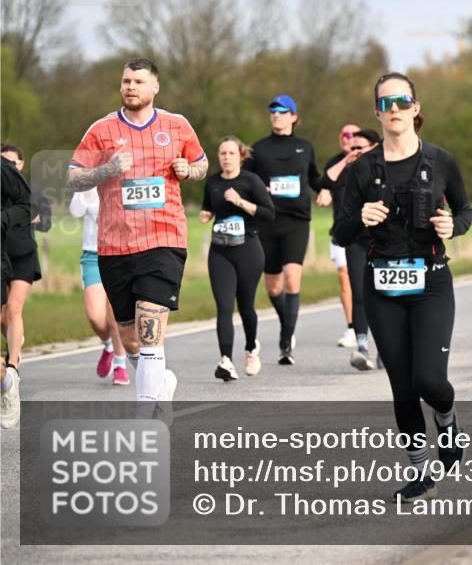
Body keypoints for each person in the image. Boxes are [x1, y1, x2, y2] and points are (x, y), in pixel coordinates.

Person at [334, 72, 472, 502]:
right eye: (385, 103)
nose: (393, 109)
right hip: (382, 283)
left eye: (401, 101)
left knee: (430, 381)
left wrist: (454, 226)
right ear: (377, 112)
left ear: (415, 108)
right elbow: (340, 232)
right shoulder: (361, 170)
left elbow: (466, 210)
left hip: (431, 280)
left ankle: (447, 421)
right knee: (402, 386)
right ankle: (420, 473)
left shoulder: (442, 161)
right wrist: (361, 219)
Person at [66, 58, 208, 409]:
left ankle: (147, 413)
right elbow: (73, 177)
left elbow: (202, 164)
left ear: (155, 87)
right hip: (114, 247)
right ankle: (161, 382)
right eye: (126, 81)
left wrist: (189, 170)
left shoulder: (176, 126)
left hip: (164, 240)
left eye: (139, 81)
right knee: (130, 340)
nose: (131, 86)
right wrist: (107, 169)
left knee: (150, 328)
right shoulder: (101, 130)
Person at [243, 94, 324, 365]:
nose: (276, 114)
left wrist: (325, 190)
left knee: (292, 278)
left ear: (294, 116)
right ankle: (286, 321)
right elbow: (245, 179)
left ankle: (285, 343)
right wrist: (256, 190)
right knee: (274, 287)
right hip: (267, 222)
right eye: (272, 110)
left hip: (296, 221)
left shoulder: (305, 147)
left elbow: (313, 176)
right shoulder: (259, 149)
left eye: (282, 110)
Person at [200, 136, 275, 381]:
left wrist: (240, 201)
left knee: (245, 306)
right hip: (220, 251)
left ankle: (251, 348)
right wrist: (206, 213)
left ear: (240, 156)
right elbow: (208, 207)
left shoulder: (251, 181)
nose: (226, 158)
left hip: (248, 250)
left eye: (231, 153)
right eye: (223, 153)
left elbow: (268, 214)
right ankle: (226, 360)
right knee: (224, 307)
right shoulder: (212, 182)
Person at [324, 128, 382, 371]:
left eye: (360, 148)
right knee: (358, 293)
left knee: (382, 295)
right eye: (352, 147)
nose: (354, 151)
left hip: (382, 240)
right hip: (354, 239)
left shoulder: (385, 170)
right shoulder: (346, 171)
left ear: (374, 148)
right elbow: (323, 182)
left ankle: (385, 348)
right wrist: (346, 161)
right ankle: (362, 348)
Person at [0, 145, 50, 395]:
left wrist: (35, 217)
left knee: (14, 309)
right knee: (4, 315)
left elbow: (46, 220)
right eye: (4, 162)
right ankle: (14, 343)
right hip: (3, 255)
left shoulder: (30, 192)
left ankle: (13, 364)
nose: (9, 167)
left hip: (23, 257)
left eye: (13, 163)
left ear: (21, 165)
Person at [69, 187, 129, 385]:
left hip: (119, 254)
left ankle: (120, 365)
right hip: (92, 255)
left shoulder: (124, 181)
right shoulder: (89, 183)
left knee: (114, 315)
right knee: (96, 317)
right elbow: (75, 212)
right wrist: (86, 187)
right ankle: (108, 345)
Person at [319, 123, 362, 348]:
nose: (349, 139)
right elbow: (324, 185)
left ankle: (369, 323)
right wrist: (325, 194)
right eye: (344, 134)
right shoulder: (334, 163)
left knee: (366, 282)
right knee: (345, 277)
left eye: (354, 135)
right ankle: (352, 327)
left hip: (367, 234)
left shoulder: (370, 161)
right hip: (342, 231)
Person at [1, 154, 33, 429]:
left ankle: (8, 378)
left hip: (18, 256)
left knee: (13, 310)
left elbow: (27, 204)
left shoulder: (3, 170)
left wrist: (2, 220)